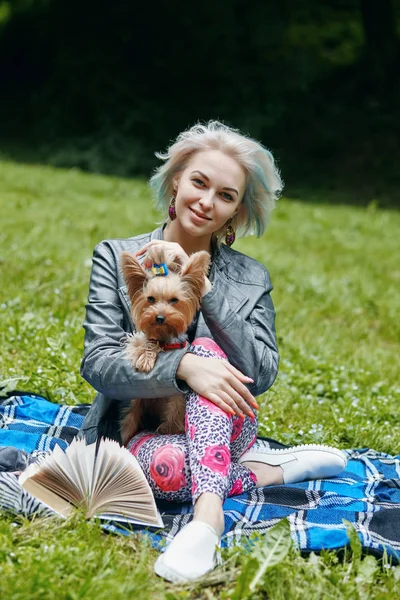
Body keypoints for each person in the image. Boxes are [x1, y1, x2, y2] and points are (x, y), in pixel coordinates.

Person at [79, 121, 347, 583]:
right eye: (199, 183)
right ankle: (264, 471)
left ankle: (207, 521)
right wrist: (183, 366)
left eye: (225, 195)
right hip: (143, 435)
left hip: (226, 426)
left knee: (207, 345)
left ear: (236, 212)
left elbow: (261, 372)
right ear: (176, 179)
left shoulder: (250, 277)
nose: (206, 202)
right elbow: (99, 362)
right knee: (163, 472)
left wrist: (206, 288)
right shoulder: (117, 255)